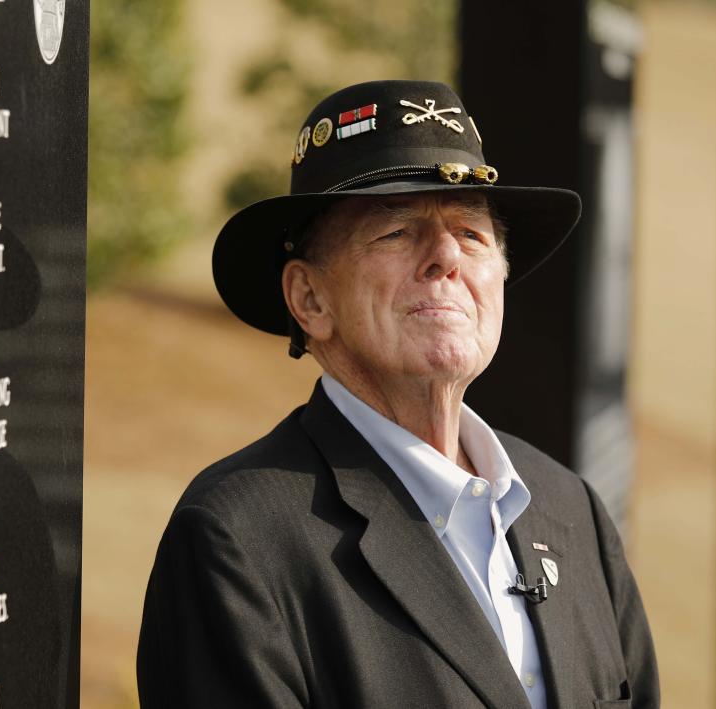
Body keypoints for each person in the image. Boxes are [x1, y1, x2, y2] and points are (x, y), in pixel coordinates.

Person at [137, 80, 659, 708]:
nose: (446, 258)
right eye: (396, 232)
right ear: (310, 299)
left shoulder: (572, 511)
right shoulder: (238, 538)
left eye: (471, 233)